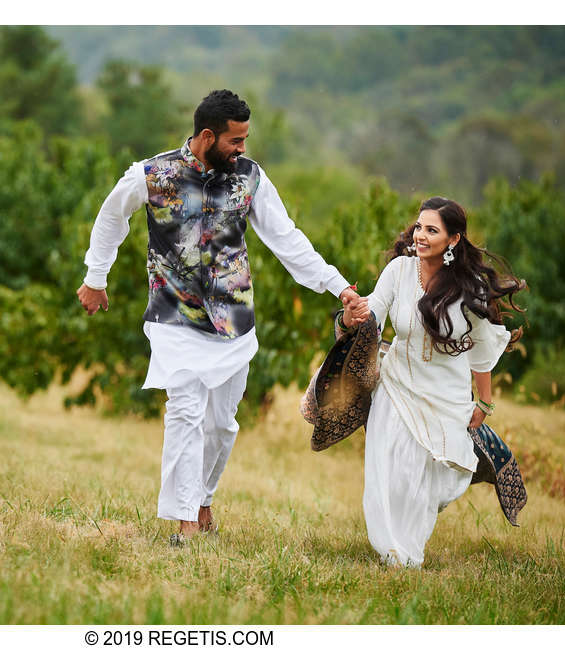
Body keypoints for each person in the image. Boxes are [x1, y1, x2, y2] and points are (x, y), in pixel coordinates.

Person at [76, 89, 368, 545]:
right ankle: (185, 523)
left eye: (246, 140)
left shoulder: (249, 178)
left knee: (221, 423)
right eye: (236, 141)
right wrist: (96, 277)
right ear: (207, 136)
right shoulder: (153, 174)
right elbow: (111, 217)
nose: (242, 149)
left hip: (234, 321)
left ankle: (202, 498)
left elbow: (286, 239)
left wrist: (341, 287)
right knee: (185, 412)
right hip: (174, 315)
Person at [348, 197, 525, 567]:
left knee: (430, 482)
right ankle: (396, 552)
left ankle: (408, 541)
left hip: (446, 394)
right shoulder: (399, 270)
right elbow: (374, 311)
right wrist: (355, 313)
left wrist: (485, 402)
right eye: (419, 227)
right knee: (392, 470)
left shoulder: (468, 286)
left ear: (453, 239)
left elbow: (481, 348)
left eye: (432, 230)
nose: (421, 236)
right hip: (396, 382)